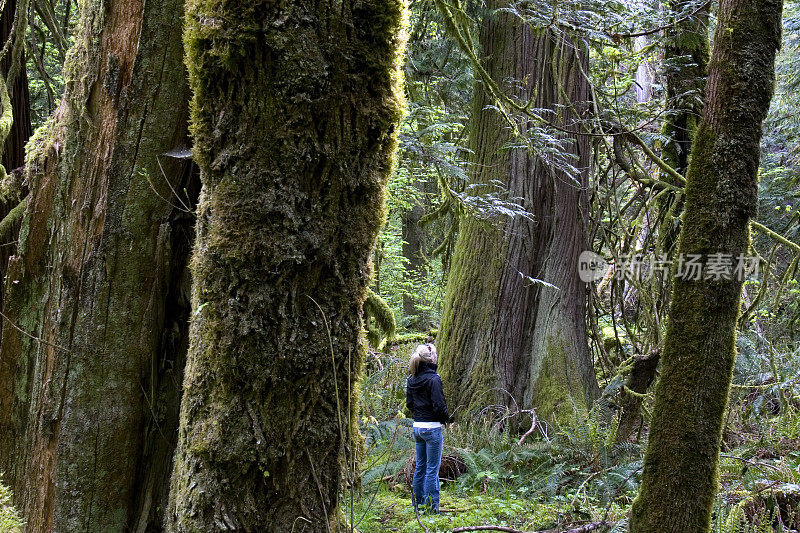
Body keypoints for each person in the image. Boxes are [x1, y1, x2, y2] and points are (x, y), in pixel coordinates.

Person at [405, 337, 450, 514]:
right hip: (432, 429)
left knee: (420, 467)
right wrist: (446, 419)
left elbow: (409, 404)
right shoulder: (434, 379)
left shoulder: (411, 379)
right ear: (432, 359)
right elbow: (439, 405)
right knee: (432, 470)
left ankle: (418, 506)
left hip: (417, 428)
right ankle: (432, 509)